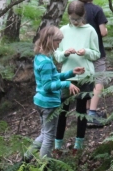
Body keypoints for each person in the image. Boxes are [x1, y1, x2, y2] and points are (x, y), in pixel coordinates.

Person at [27, 26, 83, 159]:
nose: (59, 45)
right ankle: (44, 165)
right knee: (49, 137)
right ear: (50, 41)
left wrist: (70, 73)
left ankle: (26, 157)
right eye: (58, 42)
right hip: (48, 104)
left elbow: (53, 77)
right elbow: (47, 86)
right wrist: (67, 84)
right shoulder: (46, 62)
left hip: (41, 101)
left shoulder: (40, 57)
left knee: (44, 134)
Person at [53, 0, 101, 154]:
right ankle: (57, 145)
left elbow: (96, 54)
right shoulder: (63, 31)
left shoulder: (90, 31)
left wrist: (86, 52)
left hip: (85, 76)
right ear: (68, 16)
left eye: (78, 19)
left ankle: (78, 145)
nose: (75, 22)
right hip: (67, 76)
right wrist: (65, 53)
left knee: (81, 111)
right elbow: (57, 55)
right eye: (72, 19)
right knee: (63, 111)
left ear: (83, 16)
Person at [75, 0, 108, 125]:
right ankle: (92, 113)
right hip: (96, 51)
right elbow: (103, 32)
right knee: (98, 81)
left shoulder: (75, 10)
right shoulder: (97, 10)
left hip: (80, 52)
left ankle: (88, 110)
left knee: (87, 80)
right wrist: (106, 30)